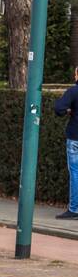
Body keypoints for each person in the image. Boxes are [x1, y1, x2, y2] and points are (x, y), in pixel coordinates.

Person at [54, 66, 78, 219]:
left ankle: (74, 209)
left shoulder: (73, 91)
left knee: (75, 173)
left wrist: (68, 111)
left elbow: (58, 107)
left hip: (75, 137)